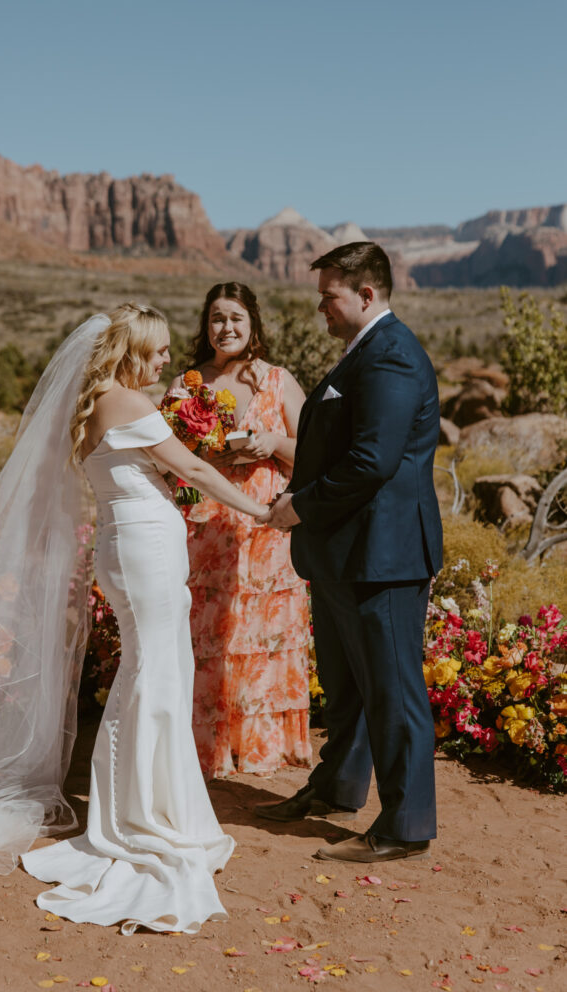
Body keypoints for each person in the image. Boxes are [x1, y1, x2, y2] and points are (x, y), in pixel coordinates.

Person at [0, 304, 268, 933]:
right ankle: (140, 816)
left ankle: (142, 805)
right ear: (130, 354)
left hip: (126, 547)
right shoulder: (129, 405)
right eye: (159, 351)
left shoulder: (95, 407)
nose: (169, 360)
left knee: (149, 673)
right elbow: (194, 468)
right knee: (155, 676)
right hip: (144, 549)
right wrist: (261, 510)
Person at [258, 243, 443, 864]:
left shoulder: (390, 357)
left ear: (367, 295)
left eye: (329, 296)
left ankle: (404, 828)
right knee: (348, 688)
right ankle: (336, 789)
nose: (320, 308)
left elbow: (373, 460)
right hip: (350, 553)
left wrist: (300, 505)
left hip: (383, 556)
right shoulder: (364, 353)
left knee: (391, 689)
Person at [167, 282, 312, 779]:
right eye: (216, 319)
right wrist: (208, 453)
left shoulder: (277, 381)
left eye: (235, 318)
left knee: (261, 635)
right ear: (205, 326)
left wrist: (271, 441)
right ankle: (204, 747)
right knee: (207, 636)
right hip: (204, 531)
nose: (225, 328)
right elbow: (165, 460)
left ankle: (258, 746)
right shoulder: (187, 386)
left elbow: (316, 452)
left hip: (266, 529)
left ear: (252, 324)